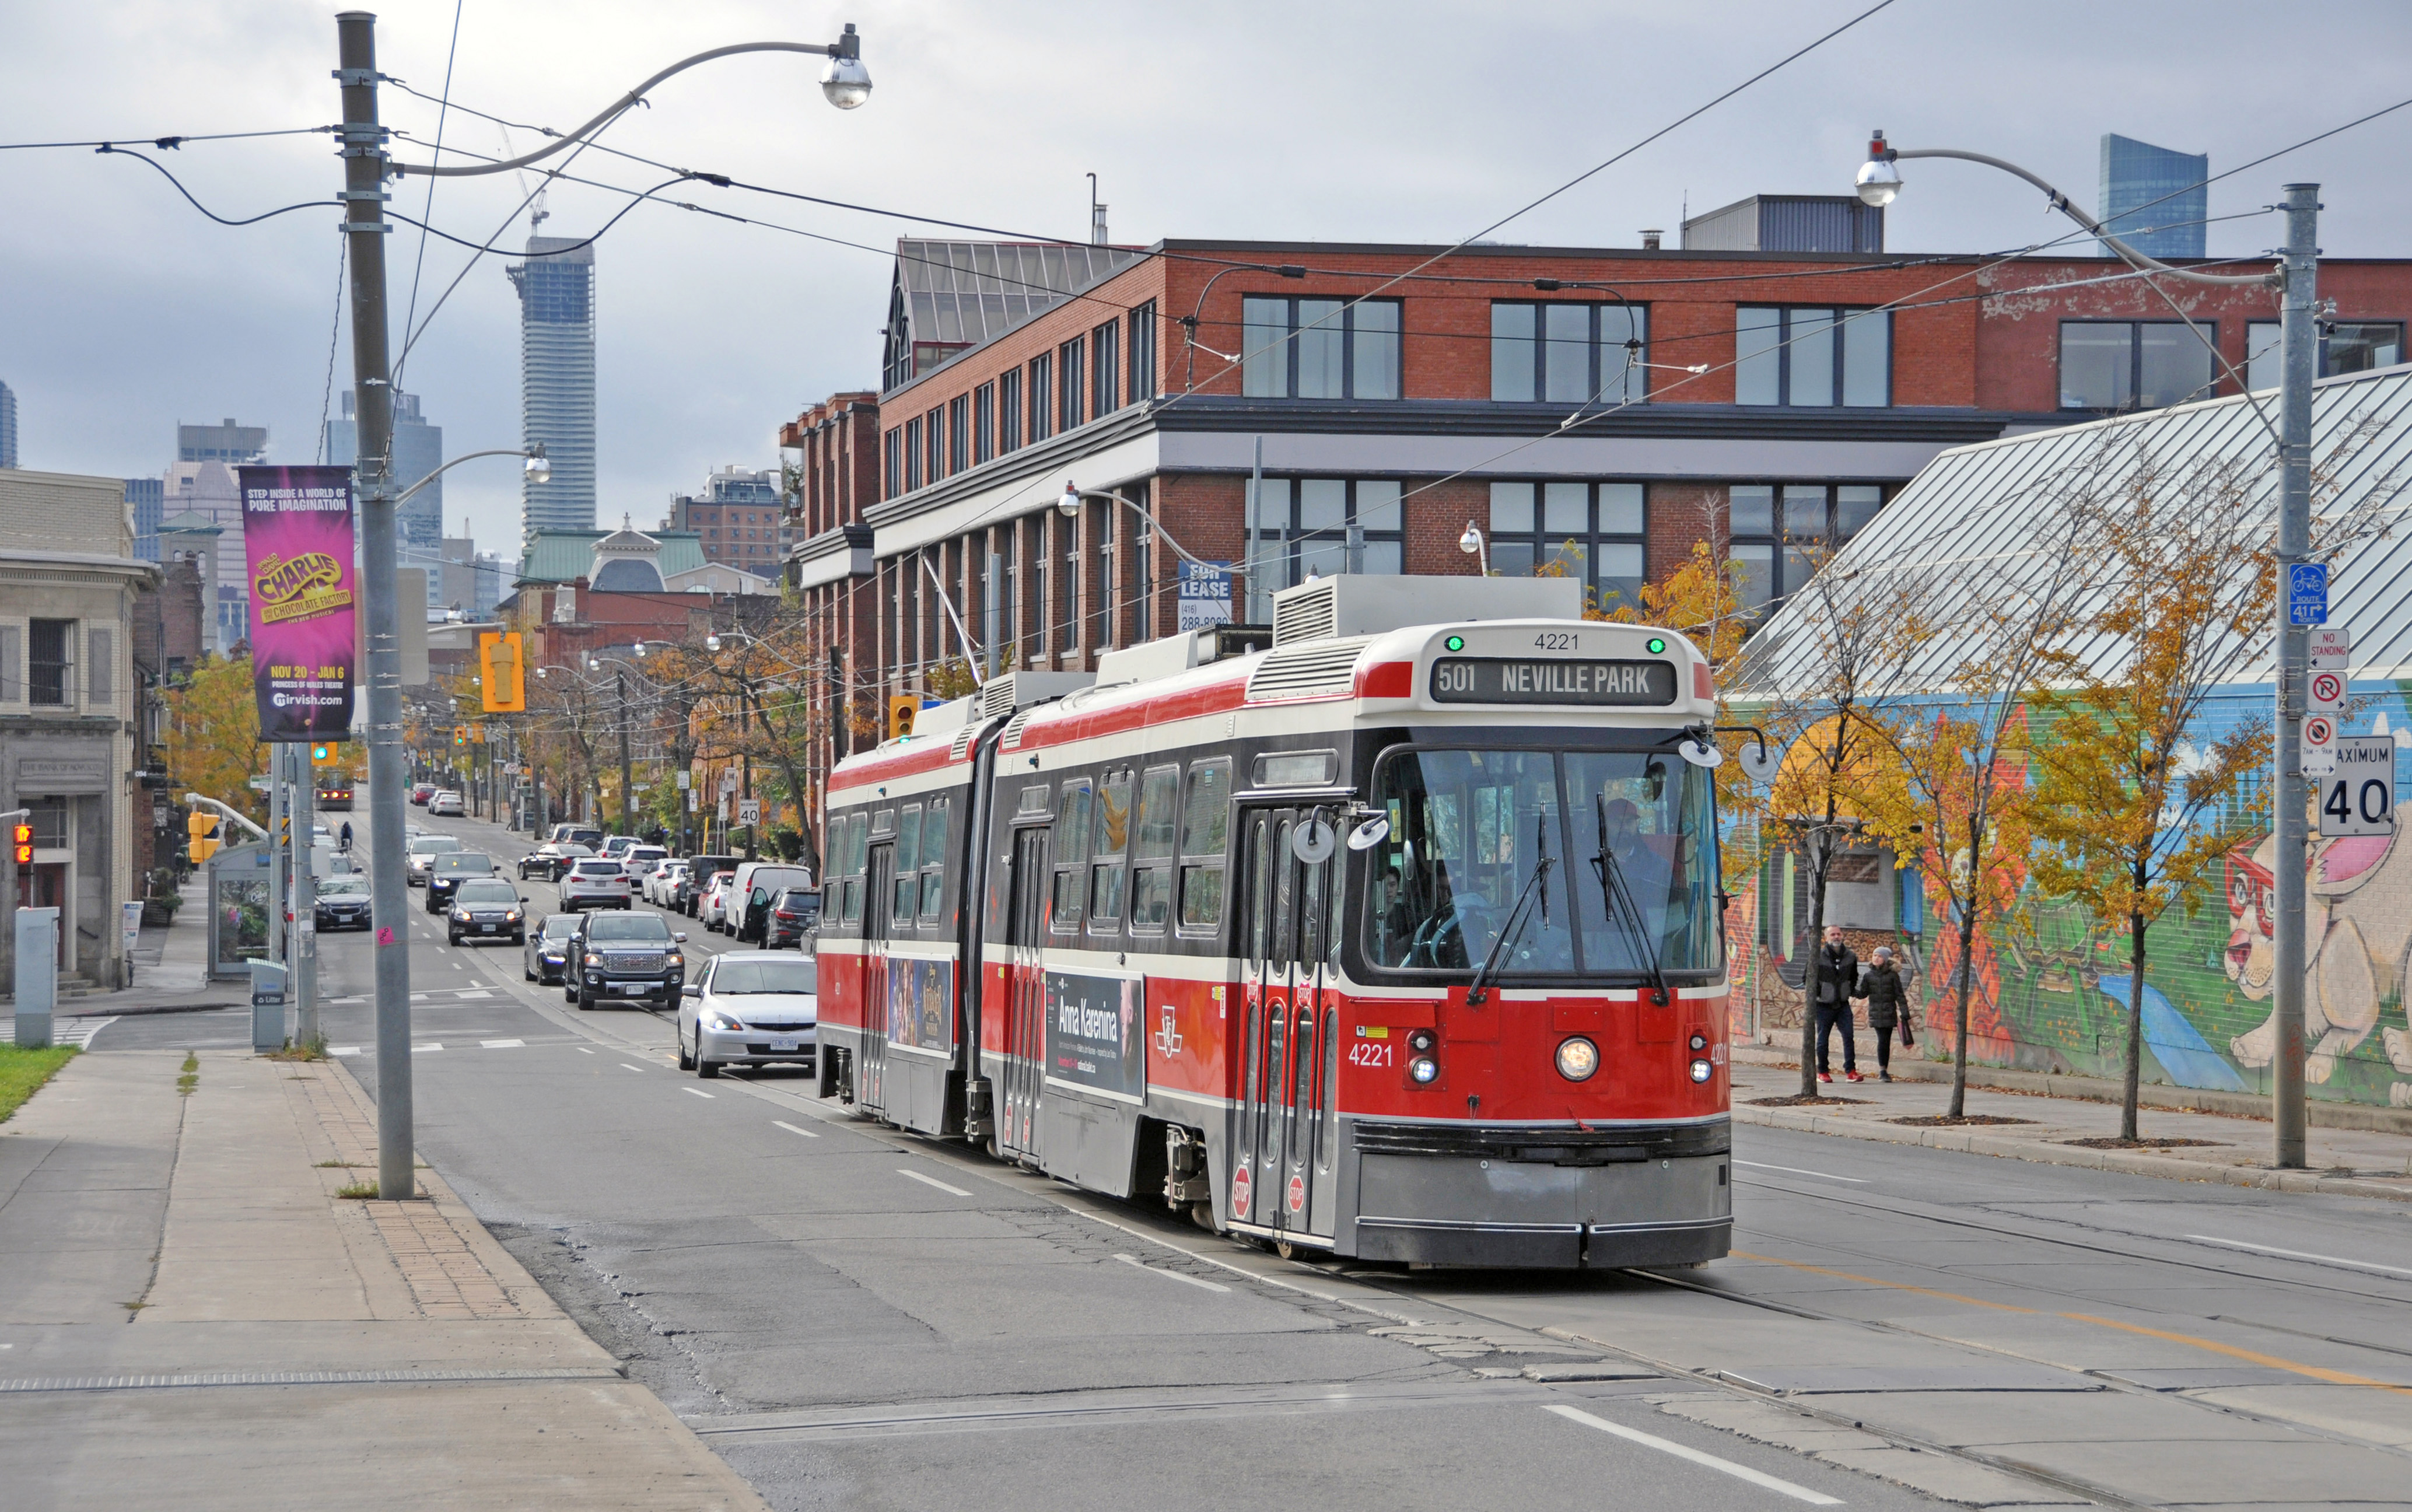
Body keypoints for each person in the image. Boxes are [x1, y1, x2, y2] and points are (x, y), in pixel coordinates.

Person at [1812, 925, 1861, 1083]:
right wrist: (1820, 993)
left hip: (1842, 1004)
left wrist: (1849, 991)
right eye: (1832, 934)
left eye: (1838, 934)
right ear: (1826, 938)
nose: (1836, 937)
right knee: (1823, 1039)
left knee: (1848, 1036)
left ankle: (1851, 1071)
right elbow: (1807, 978)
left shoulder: (1850, 957)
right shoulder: (1818, 956)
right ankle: (1823, 1071)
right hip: (1823, 1005)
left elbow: (1854, 977)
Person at [1854, 945, 1910, 1082]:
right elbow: (1862, 994)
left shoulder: (1892, 976)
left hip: (1889, 1013)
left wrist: (1905, 1012)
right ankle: (1882, 1070)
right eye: (1874, 955)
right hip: (1875, 1013)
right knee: (1882, 1041)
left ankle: (1884, 1070)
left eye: (1879, 956)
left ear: (1885, 959)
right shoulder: (1868, 976)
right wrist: (1849, 988)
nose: (1876, 958)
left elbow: (1900, 995)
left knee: (1885, 1041)